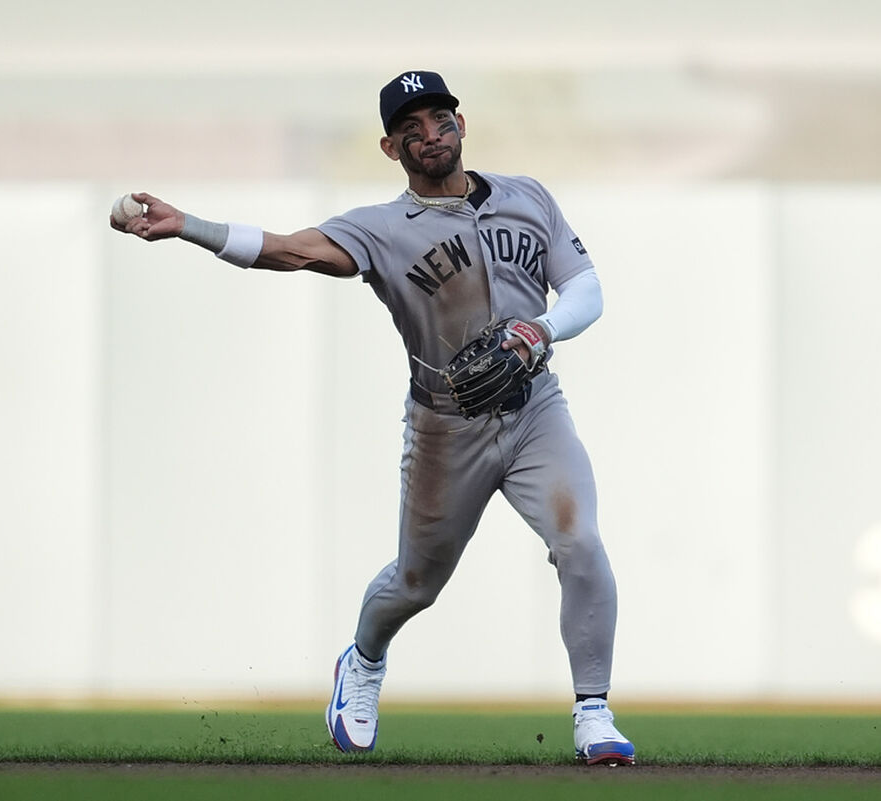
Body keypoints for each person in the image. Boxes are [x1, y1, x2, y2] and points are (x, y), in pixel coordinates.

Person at [110, 70, 634, 766]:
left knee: (581, 540)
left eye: (439, 119)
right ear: (391, 149)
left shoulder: (527, 196)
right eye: (410, 129)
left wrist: (541, 330)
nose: (429, 135)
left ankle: (593, 711)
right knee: (418, 582)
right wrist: (190, 227)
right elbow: (287, 250)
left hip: (535, 408)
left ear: (461, 125)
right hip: (447, 427)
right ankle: (363, 659)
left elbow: (586, 288)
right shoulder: (384, 229)